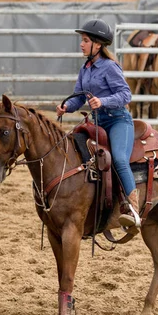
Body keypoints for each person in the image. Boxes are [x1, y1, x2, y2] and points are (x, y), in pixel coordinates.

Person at [56, 19, 140, 228]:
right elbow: (79, 97)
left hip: (118, 120)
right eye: (82, 41)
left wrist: (103, 101)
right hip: (98, 122)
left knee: (119, 159)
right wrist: (67, 106)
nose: (81, 44)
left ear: (98, 45)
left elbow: (125, 94)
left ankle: (133, 207)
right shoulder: (85, 69)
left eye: (85, 41)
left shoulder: (110, 67)